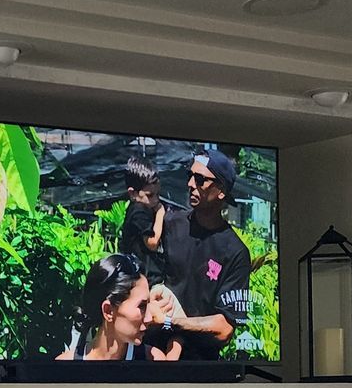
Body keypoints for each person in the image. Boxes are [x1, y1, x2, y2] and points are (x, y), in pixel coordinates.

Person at [159, 150, 253, 360]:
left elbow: (225, 328)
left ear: (221, 191)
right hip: (152, 355)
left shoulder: (235, 253)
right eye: (190, 175)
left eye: (200, 179)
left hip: (200, 366)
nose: (191, 184)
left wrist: (173, 323)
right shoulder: (170, 225)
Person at [58, 254, 183, 361]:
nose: (149, 318)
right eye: (141, 306)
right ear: (108, 311)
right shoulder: (65, 369)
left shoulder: (153, 360)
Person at [116, 160, 168, 282]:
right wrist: (160, 213)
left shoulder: (144, 208)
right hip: (145, 278)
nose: (155, 200)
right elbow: (152, 243)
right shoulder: (139, 211)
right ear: (132, 193)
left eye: (157, 194)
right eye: (149, 195)